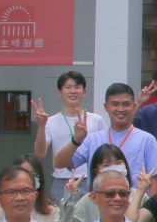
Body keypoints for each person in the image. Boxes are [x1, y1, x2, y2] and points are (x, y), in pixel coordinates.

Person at [54, 83, 157, 192]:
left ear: (134, 106)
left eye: (126, 104)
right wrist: (76, 141)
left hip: (134, 200)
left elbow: (156, 179)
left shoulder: (146, 139)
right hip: (98, 200)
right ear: (106, 107)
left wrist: (147, 203)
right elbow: (59, 163)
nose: (120, 109)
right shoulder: (93, 139)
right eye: (115, 104)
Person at [33, 71, 108, 200]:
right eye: (68, 87)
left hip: (90, 180)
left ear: (84, 92)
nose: (73, 91)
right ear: (60, 92)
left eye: (77, 87)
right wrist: (41, 126)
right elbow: (40, 153)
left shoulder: (96, 120)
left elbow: (107, 151)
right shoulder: (50, 121)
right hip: (61, 181)